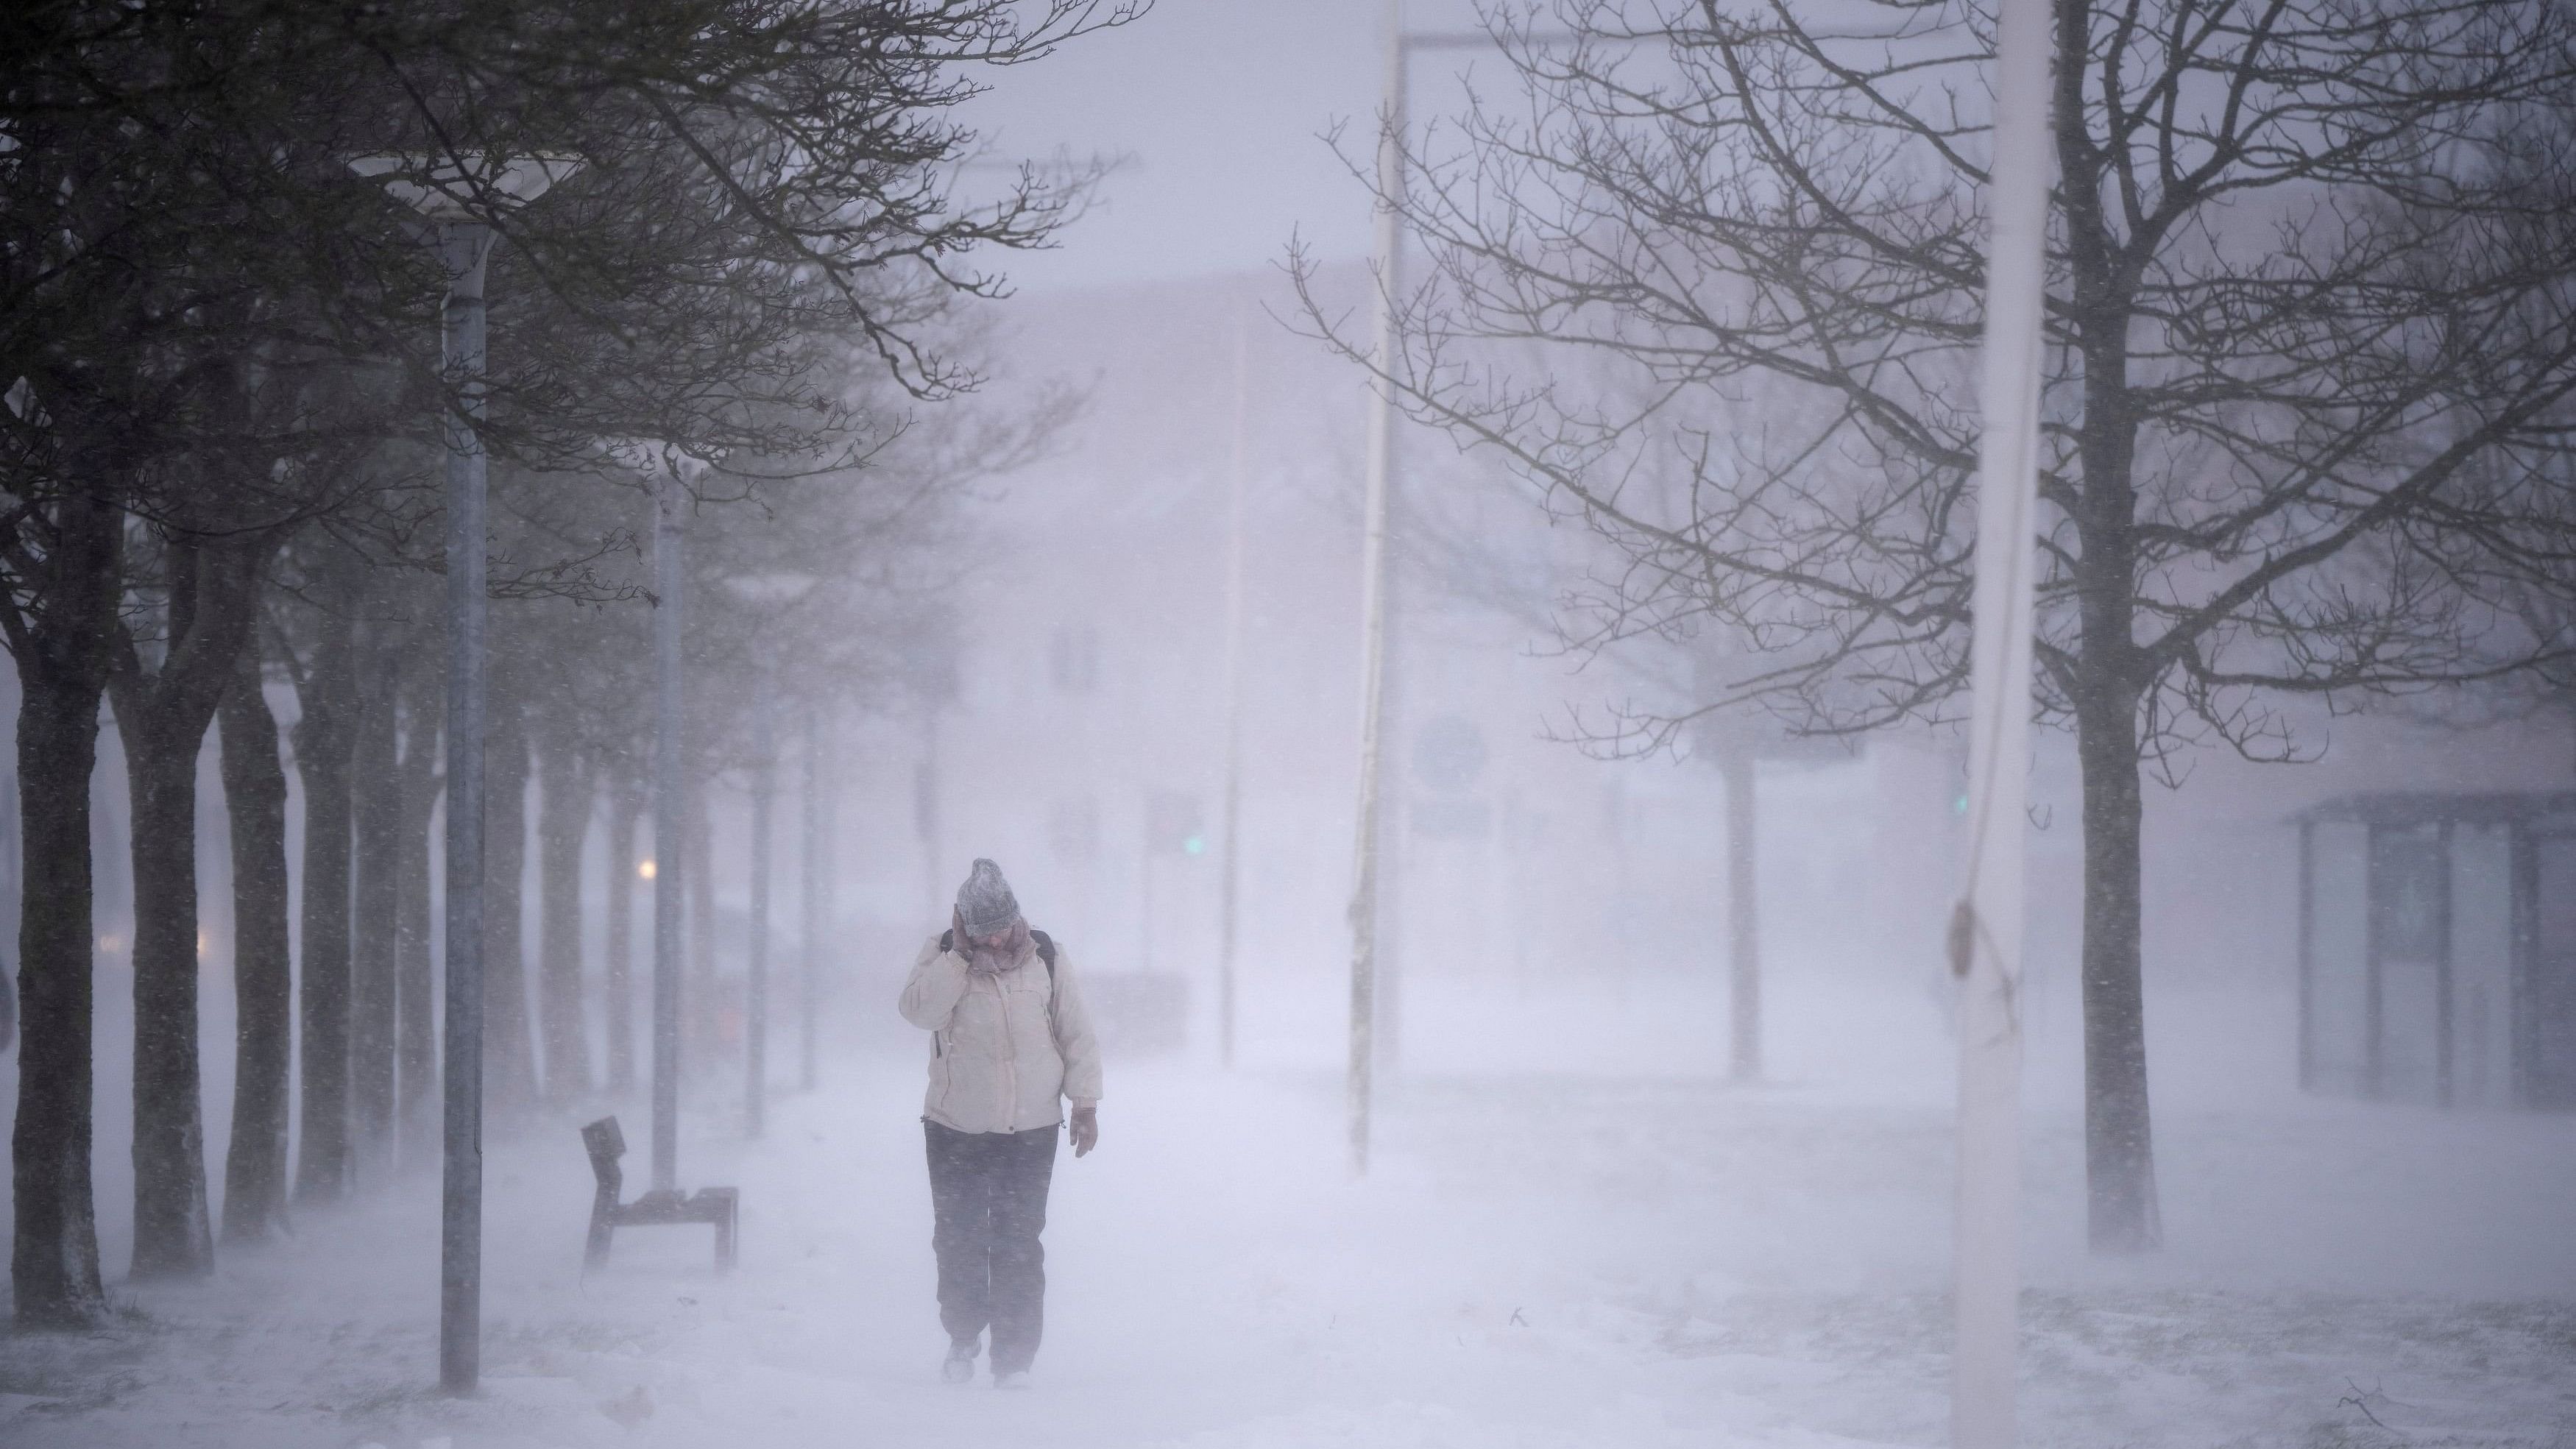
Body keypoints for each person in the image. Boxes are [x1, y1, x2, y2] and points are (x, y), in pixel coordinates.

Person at [898, 857, 1102, 1389]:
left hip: (1030, 1132)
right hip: (954, 1130)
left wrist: (1085, 1102)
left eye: (1002, 926)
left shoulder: (1046, 957)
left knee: (1018, 1241)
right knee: (960, 1239)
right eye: (982, 930)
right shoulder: (945, 956)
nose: (995, 939)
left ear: (1016, 917)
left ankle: (1014, 1359)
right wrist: (958, 958)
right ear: (965, 925)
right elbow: (918, 1012)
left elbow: (1076, 1032)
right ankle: (963, 1336)